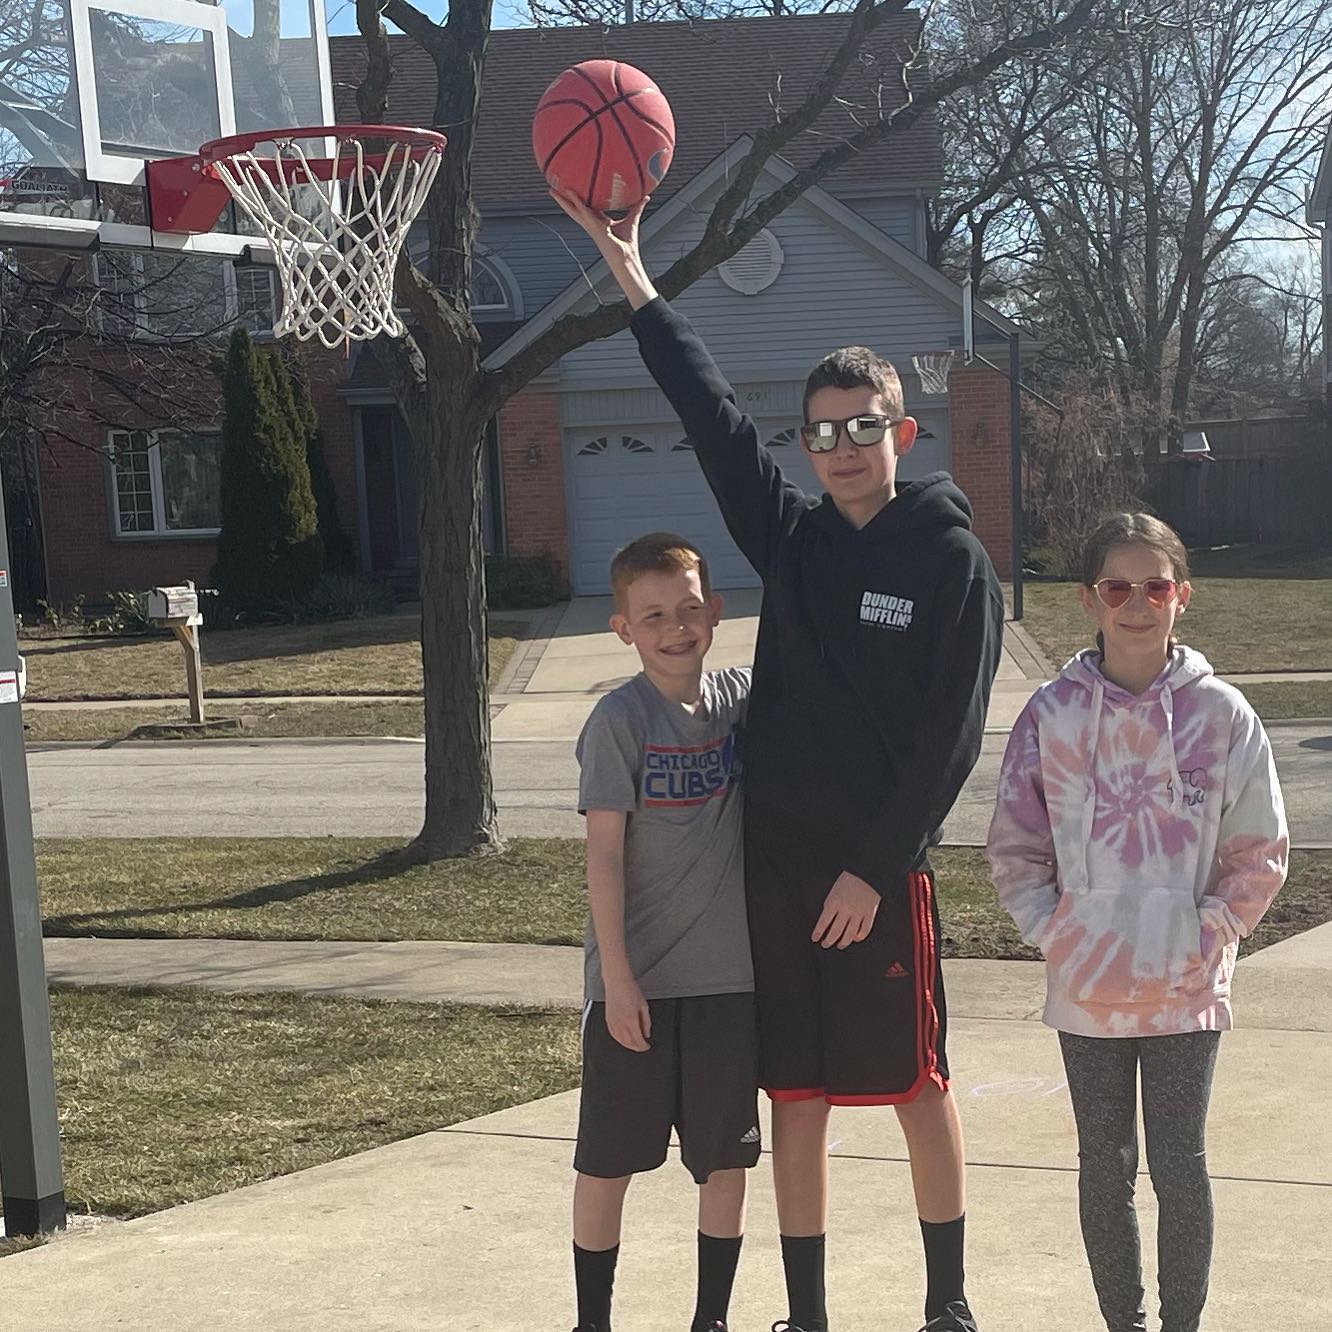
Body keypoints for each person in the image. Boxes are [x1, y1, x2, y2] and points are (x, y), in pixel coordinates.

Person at [555, 190, 1004, 1332]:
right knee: (796, 1101)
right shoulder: (792, 540)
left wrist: (875, 864)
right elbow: (708, 415)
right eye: (823, 429)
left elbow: (952, 737)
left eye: (865, 426)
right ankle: (806, 1314)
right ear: (804, 442)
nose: (843, 446)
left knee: (913, 1087)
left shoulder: (953, 561)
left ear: (904, 434)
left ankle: (945, 1302)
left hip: (876, 877)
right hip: (777, 879)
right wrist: (634, 275)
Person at [985, 512, 1289, 1332]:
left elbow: (1259, 848)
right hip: (1087, 986)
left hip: (1185, 986)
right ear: (1090, 598)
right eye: (1117, 586)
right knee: (1103, 1168)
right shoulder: (1051, 716)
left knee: (1180, 1167)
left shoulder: (1222, 716)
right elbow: (1015, 844)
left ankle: (1183, 1323)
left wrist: (1209, 931)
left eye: (1154, 585)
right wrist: (1058, 931)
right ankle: (1123, 1320)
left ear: (1180, 596)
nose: (1136, 602)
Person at [572, 531, 761, 1332]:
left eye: (689, 610)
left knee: (724, 1159)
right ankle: (593, 1320)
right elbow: (605, 858)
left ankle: (710, 1318)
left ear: (714, 612)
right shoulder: (619, 720)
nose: (675, 627)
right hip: (638, 986)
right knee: (609, 1161)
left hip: (727, 981)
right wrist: (617, 978)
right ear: (623, 628)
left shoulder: (739, 699)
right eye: (653, 616)